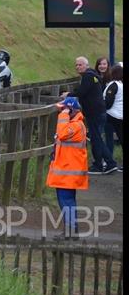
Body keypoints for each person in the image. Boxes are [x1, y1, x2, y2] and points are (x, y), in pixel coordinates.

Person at [63, 56, 117, 175]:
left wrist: (68, 94)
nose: (78, 67)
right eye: (76, 65)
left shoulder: (88, 76)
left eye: (80, 64)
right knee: (95, 138)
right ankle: (101, 163)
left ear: (87, 65)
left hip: (95, 112)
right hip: (98, 111)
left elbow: (82, 92)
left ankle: (107, 163)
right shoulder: (92, 75)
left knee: (96, 139)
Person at [46, 97, 88, 238]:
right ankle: (71, 229)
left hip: (69, 173)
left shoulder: (75, 126)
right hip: (67, 172)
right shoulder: (75, 124)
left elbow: (63, 133)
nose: (61, 112)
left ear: (71, 110)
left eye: (64, 109)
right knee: (67, 201)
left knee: (66, 201)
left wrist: (63, 114)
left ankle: (70, 230)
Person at [103, 64, 123, 171]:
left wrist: (102, 105)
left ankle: (108, 161)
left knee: (106, 137)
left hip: (111, 115)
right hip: (119, 115)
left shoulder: (113, 85)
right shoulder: (121, 85)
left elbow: (109, 102)